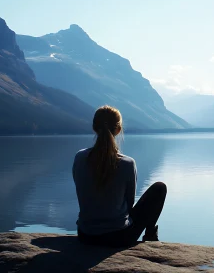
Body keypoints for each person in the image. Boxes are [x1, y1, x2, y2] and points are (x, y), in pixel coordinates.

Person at [72, 105, 167, 247]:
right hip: (118, 237)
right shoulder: (127, 163)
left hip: (85, 235)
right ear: (118, 130)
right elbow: (128, 205)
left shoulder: (79, 157)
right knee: (159, 188)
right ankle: (150, 235)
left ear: (94, 127)